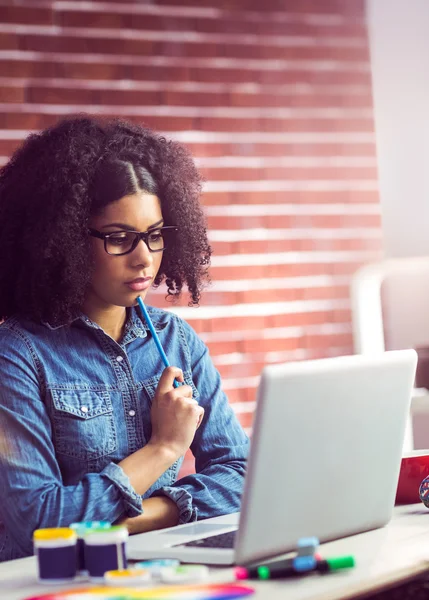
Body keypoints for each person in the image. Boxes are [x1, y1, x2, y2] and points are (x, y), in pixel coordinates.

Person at [0, 115, 249, 562]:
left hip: (156, 571)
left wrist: (142, 519)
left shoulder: (176, 340)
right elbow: (39, 521)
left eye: (154, 236)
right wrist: (164, 448)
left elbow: (242, 472)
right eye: (119, 238)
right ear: (63, 240)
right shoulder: (18, 355)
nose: (144, 259)